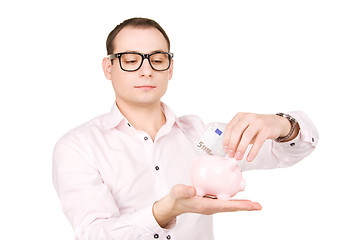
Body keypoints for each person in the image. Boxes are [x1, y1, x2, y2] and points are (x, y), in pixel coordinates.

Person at [52, 17, 318, 240]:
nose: (146, 71)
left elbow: (290, 152)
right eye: (131, 60)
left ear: (170, 68)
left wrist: (282, 124)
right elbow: (93, 234)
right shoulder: (78, 147)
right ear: (108, 67)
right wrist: (162, 213)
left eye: (157, 59)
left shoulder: (202, 135)